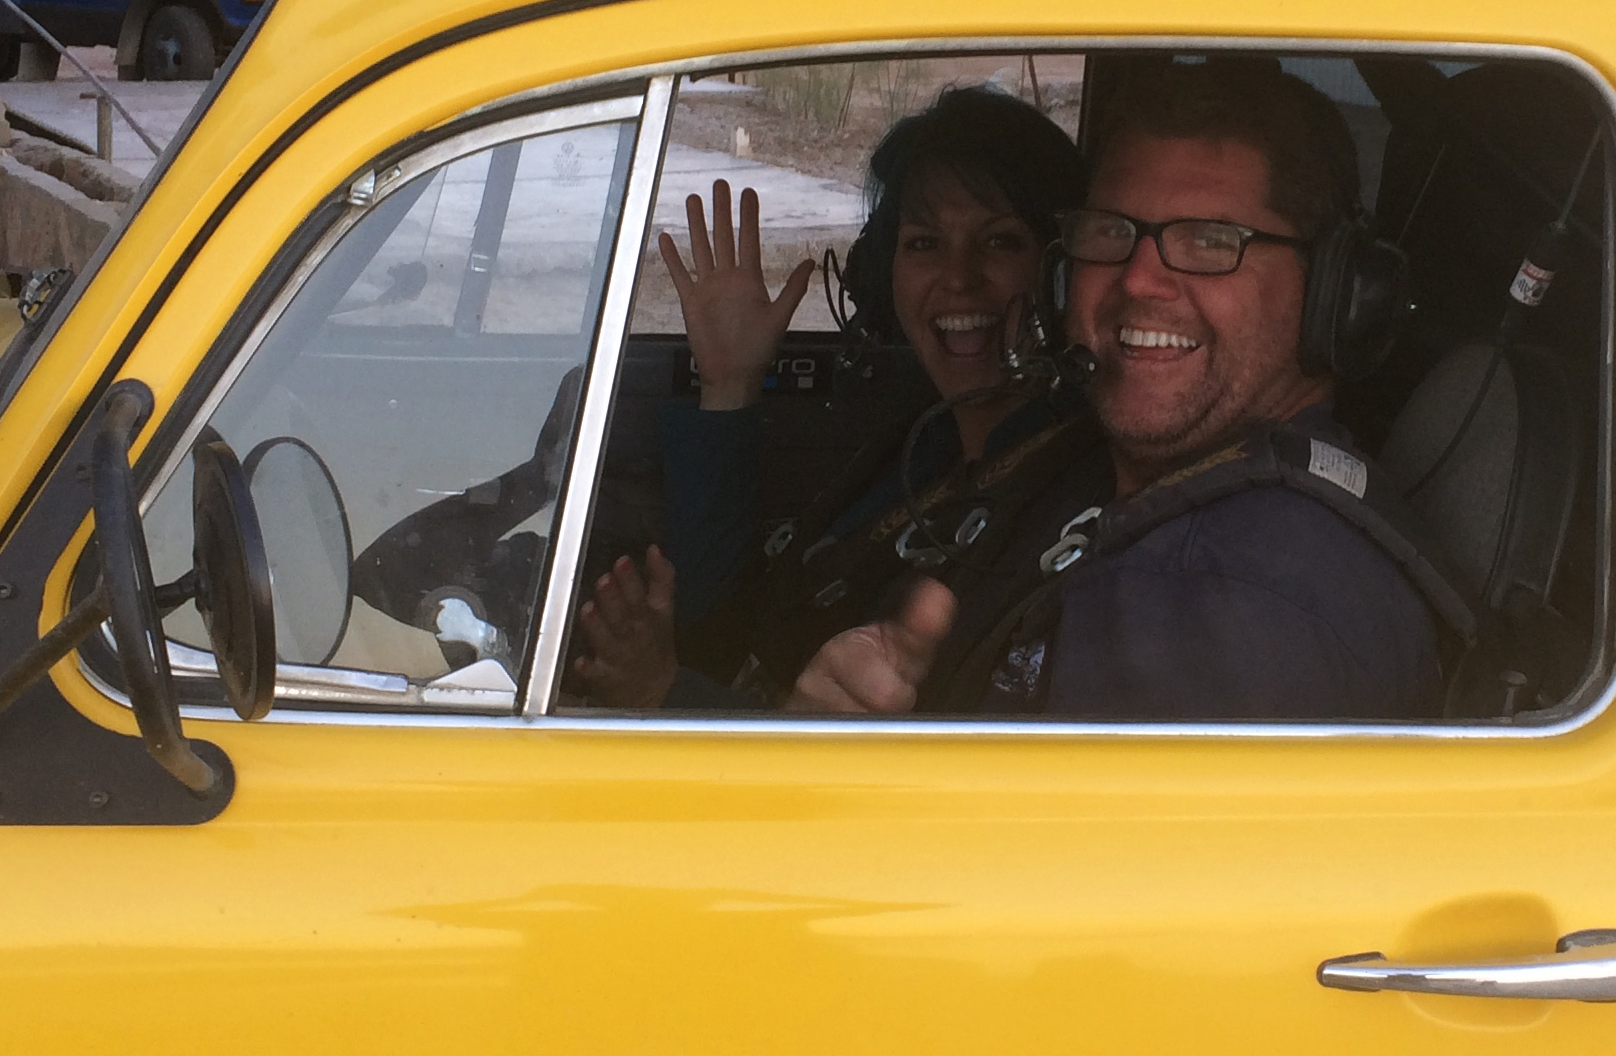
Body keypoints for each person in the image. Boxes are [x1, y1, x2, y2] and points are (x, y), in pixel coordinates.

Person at [786, 58, 1450, 724]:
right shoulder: (1149, 488)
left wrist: (822, 768)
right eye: (1111, 233)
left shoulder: (1209, 598)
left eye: (1209, 241)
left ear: (1336, 295)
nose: (1137, 281)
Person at [567, 84, 1097, 707]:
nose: (958, 278)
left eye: (1000, 241)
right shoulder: (922, 449)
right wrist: (729, 386)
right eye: (924, 243)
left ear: (1064, 272)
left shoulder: (1060, 499)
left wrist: (664, 694)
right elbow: (734, 629)